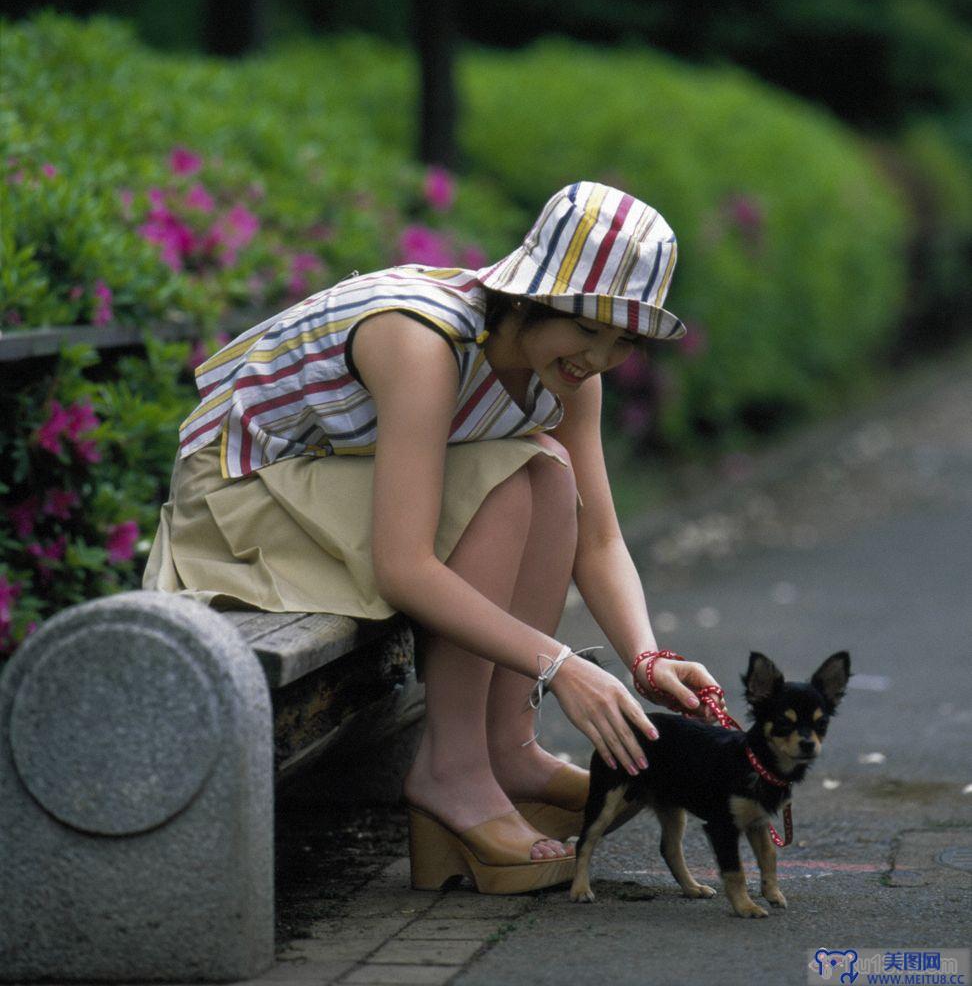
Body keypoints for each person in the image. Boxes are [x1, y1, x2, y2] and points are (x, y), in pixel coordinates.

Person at [144, 180, 721, 893]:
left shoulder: (568, 375)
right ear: (532, 296)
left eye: (621, 339)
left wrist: (645, 657)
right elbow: (405, 567)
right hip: (243, 502)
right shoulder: (422, 340)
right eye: (587, 326)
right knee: (511, 478)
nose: (599, 357)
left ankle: (508, 752)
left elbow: (597, 538)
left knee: (547, 470)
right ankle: (453, 771)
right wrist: (563, 666)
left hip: (336, 489)